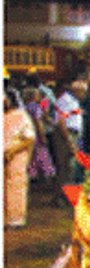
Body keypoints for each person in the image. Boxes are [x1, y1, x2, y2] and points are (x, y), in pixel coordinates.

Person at [4, 90, 36, 227]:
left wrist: (12, 150)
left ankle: (16, 218)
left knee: (15, 185)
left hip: (17, 155)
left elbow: (29, 138)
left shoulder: (21, 116)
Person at [22, 86, 55, 185]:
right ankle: (48, 174)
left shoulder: (24, 107)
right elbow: (38, 121)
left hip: (27, 134)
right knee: (43, 153)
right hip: (36, 134)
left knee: (32, 155)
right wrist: (42, 135)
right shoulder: (36, 107)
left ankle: (33, 175)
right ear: (33, 96)